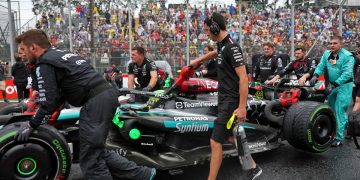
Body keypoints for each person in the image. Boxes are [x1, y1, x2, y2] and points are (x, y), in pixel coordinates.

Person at [14, 29, 156, 179]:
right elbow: (58, 96)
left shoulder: (44, 62)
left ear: (34, 48)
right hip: (104, 97)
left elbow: (48, 102)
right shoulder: (60, 54)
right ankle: (145, 175)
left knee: (91, 161)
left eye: (24, 49)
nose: (22, 55)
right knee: (96, 152)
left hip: (96, 101)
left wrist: (31, 125)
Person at [189, 13, 262, 180]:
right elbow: (215, 53)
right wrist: (197, 61)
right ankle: (253, 167)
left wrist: (242, 107)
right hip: (223, 99)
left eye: (208, 30)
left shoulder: (231, 47)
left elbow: (244, 78)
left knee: (215, 142)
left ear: (215, 28)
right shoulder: (222, 45)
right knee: (230, 137)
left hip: (230, 101)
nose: (206, 33)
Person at [309, 36, 355, 147]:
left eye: (335, 43)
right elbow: (321, 66)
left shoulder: (348, 57)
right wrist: (315, 75)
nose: (332, 45)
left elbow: (347, 74)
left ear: (341, 44)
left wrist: (334, 84)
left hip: (344, 86)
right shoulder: (327, 54)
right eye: (330, 43)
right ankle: (350, 126)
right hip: (332, 85)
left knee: (340, 110)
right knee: (331, 108)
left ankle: (338, 138)